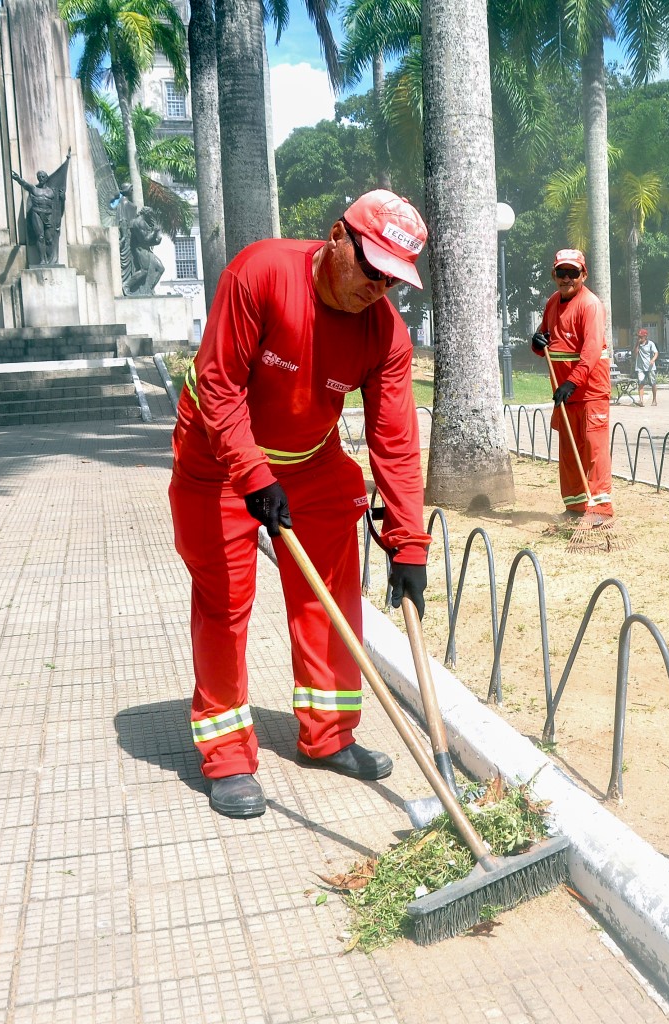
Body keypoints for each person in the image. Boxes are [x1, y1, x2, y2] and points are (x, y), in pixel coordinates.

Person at [169, 189, 432, 819]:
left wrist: (409, 543)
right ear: (338, 236)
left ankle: (328, 735)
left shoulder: (386, 335)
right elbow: (219, 384)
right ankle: (228, 755)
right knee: (227, 599)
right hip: (216, 458)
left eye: (393, 281)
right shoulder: (260, 272)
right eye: (371, 269)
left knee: (331, 592)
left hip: (310, 462)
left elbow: (393, 441)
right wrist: (254, 476)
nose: (378, 289)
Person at [529, 248, 613, 521]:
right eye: (561, 273)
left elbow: (590, 352)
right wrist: (537, 343)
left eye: (573, 273)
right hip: (565, 391)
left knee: (593, 448)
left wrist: (572, 382)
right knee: (569, 451)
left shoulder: (590, 305)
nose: (567, 278)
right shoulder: (553, 302)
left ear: (583, 275)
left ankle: (600, 509)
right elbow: (547, 340)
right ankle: (575, 507)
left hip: (590, 390)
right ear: (554, 275)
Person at [634, 328, 659, 406]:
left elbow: (656, 353)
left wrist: (653, 360)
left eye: (641, 337)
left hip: (650, 367)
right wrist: (637, 344)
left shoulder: (650, 343)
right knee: (641, 383)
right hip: (640, 367)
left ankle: (654, 400)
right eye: (639, 336)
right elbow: (635, 354)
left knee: (653, 383)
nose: (640, 338)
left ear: (645, 336)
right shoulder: (638, 344)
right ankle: (641, 401)